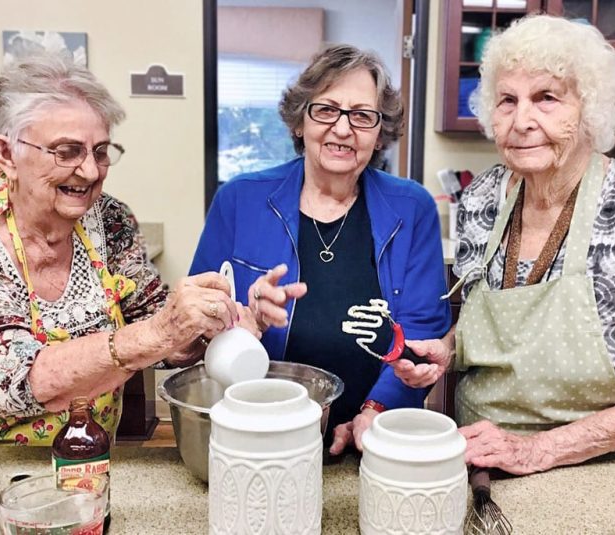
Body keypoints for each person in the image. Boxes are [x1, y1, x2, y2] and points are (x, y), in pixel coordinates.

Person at [392, 15, 615, 474]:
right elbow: (494, 322)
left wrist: (539, 451)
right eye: (507, 101)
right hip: (485, 462)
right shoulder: (481, 200)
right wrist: (448, 350)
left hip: (609, 468)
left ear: (588, 110)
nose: (521, 121)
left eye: (546, 99)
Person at [0, 53, 256, 445]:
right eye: (67, 151)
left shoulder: (107, 219)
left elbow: (157, 330)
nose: (91, 172)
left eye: (101, 151)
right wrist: (160, 332)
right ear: (7, 154)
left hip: (92, 457)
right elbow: (2, 380)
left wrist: (206, 328)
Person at [190, 44, 449, 454]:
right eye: (326, 110)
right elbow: (195, 324)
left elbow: (421, 331)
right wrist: (244, 317)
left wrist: (376, 412)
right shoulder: (240, 200)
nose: (343, 129)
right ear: (299, 122)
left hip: (372, 440)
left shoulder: (412, 207)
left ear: (380, 132)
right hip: (256, 434)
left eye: (362, 116)